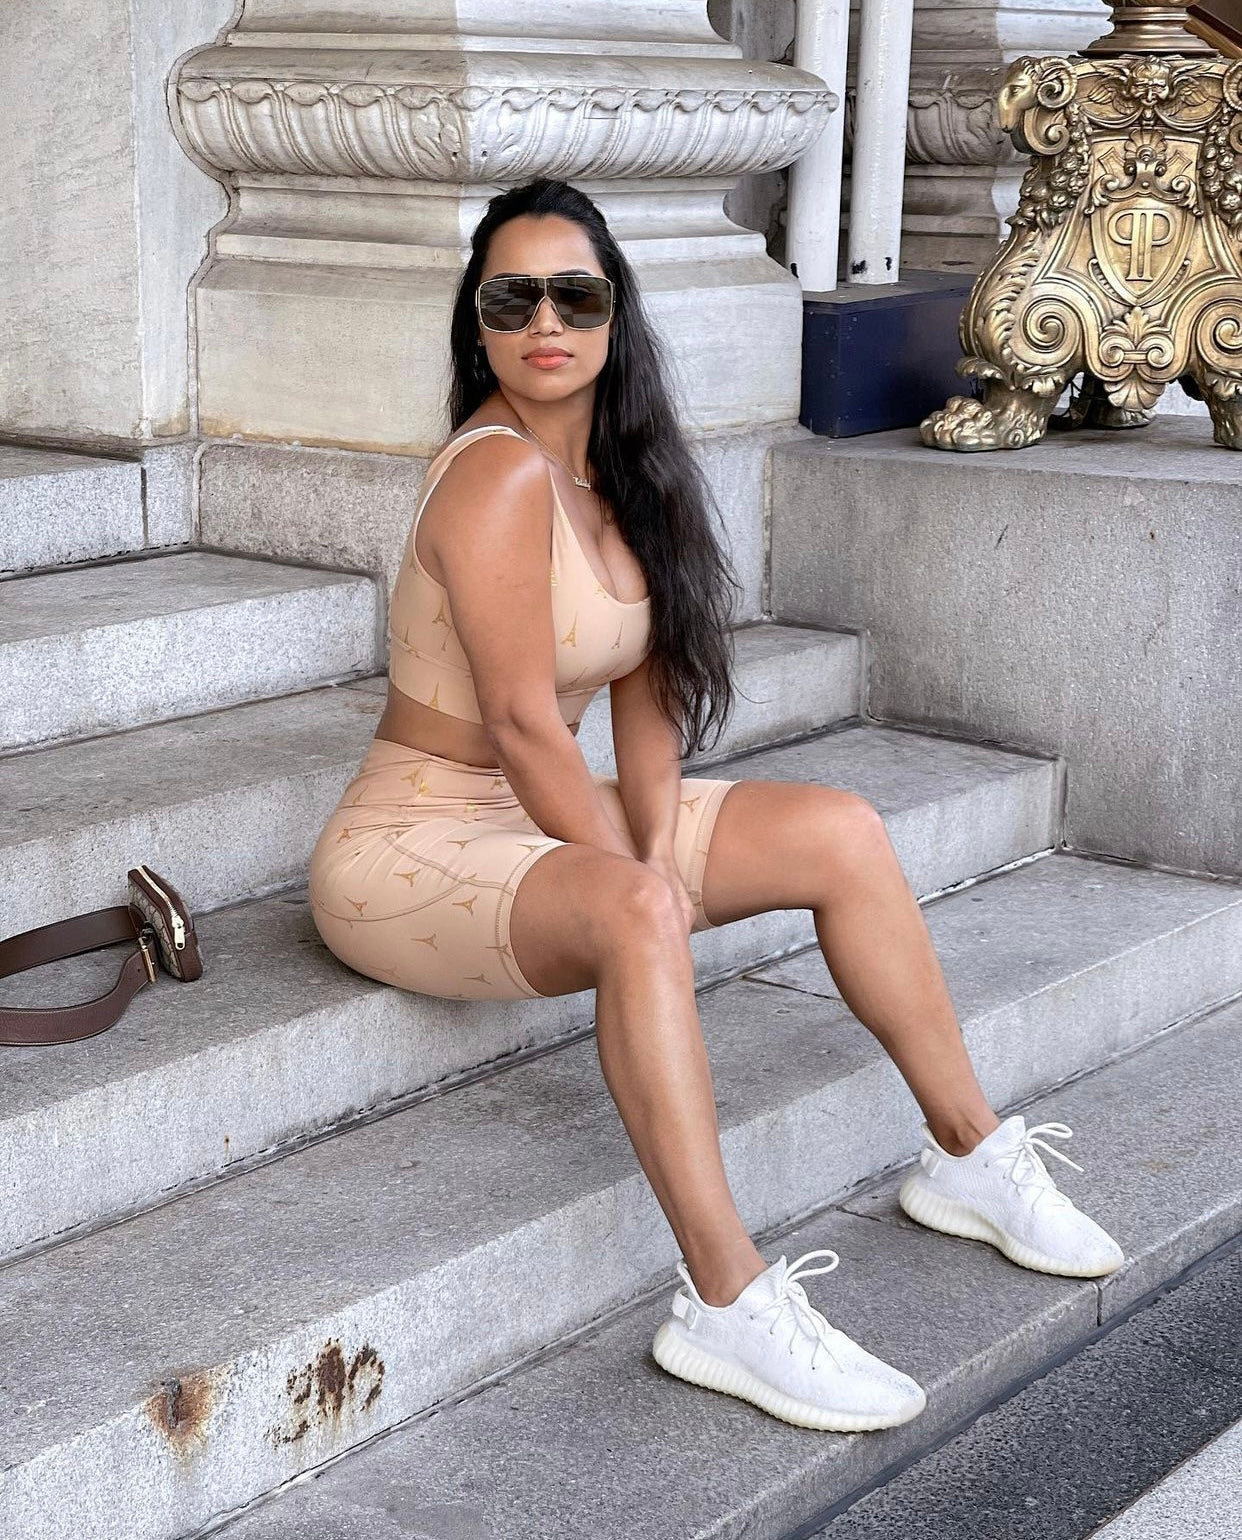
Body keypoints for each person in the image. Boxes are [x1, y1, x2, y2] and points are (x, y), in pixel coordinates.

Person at [308, 176, 1123, 1435]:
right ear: (477, 322)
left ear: (616, 312)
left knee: (840, 832)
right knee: (635, 908)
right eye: (511, 299)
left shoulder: (623, 475)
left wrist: (652, 844)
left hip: (531, 811)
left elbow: (644, 705)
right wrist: (643, 888)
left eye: (574, 295)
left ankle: (968, 1153)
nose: (544, 322)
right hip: (409, 838)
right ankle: (727, 1301)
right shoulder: (495, 476)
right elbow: (522, 721)